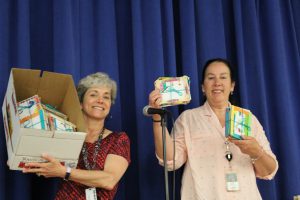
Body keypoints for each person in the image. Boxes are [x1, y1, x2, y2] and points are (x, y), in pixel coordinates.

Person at [148, 58, 278, 199]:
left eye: (223, 77)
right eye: (211, 78)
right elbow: (170, 161)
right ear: (203, 87)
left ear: (232, 85)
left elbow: (269, 171)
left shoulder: (248, 119)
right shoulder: (188, 119)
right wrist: (157, 118)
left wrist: (256, 151)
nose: (217, 83)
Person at [23, 72, 131, 200]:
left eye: (106, 97)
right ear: (80, 103)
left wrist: (64, 172)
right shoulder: (65, 134)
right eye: (93, 94)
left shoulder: (118, 139)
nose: (101, 100)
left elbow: (109, 180)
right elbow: (41, 160)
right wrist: (20, 156)